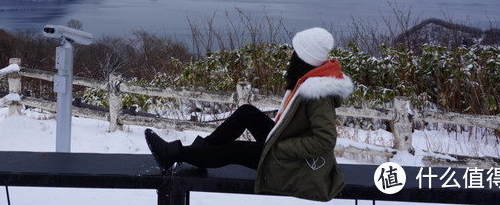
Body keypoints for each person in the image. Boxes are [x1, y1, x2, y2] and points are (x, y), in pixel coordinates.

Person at [144, 27, 354, 202]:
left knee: (234, 151)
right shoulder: (309, 78)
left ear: (304, 57)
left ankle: (175, 153)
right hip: (283, 143)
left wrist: (281, 149)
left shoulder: (319, 94)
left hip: (290, 161)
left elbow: (325, 140)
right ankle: (200, 153)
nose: (291, 54)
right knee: (247, 112)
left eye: (295, 51)